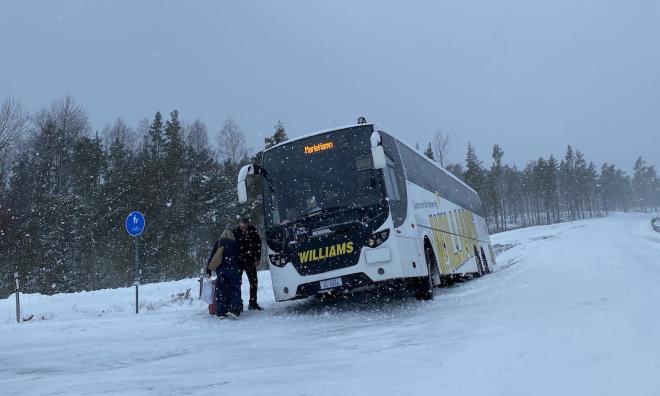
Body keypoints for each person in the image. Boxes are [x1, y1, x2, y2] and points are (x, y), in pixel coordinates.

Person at [206, 230, 242, 319]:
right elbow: (239, 257)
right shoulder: (234, 243)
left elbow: (212, 257)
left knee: (221, 291)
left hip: (221, 271)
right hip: (233, 270)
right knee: (234, 290)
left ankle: (221, 312)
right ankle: (233, 310)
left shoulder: (218, 243)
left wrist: (208, 270)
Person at [233, 217, 263, 310]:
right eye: (243, 227)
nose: (244, 229)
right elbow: (232, 247)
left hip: (250, 260)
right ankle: (239, 304)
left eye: (246, 227)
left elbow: (258, 243)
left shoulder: (252, 230)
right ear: (240, 224)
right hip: (238, 261)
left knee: (253, 281)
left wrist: (257, 258)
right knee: (237, 283)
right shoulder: (235, 232)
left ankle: (253, 303)